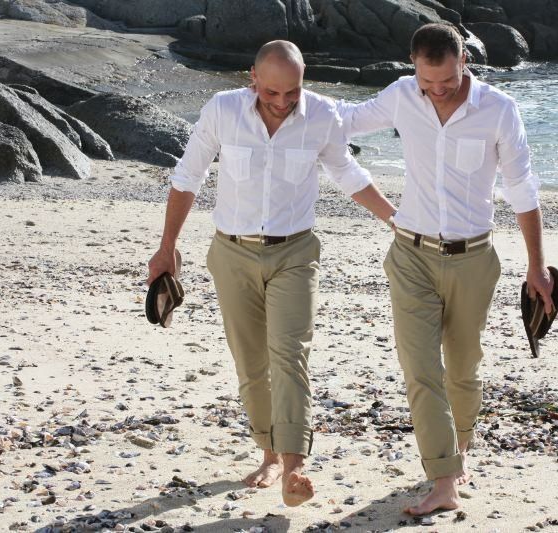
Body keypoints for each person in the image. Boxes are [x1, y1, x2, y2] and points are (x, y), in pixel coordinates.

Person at [147, 40, 396, 506]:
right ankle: (268, 453)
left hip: (295, 253)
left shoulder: (322, 114)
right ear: (253, 80)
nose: (282, 103)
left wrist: (398, 222)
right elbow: (187, 178)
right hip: (231, 253)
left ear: (304, 83)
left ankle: (294, 466)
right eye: (272, 93)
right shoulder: (222, 111)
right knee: (251, 362)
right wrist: (166, 249)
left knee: (289, 354)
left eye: (293, 93)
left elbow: (348, 174)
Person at [339, 23, 555, 515]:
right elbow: (344, 121)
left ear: (465, 63)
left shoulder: (499, 110)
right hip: (410, 254)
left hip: (474, 259)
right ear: (413, 67)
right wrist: (280, 97)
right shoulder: (400, 95)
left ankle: (460, 448)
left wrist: (537, 266)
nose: (437, 92)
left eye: (448, 82)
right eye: (426, 83)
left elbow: (523, 190)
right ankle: (443, 478)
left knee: (462, 368)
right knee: (420, 369)